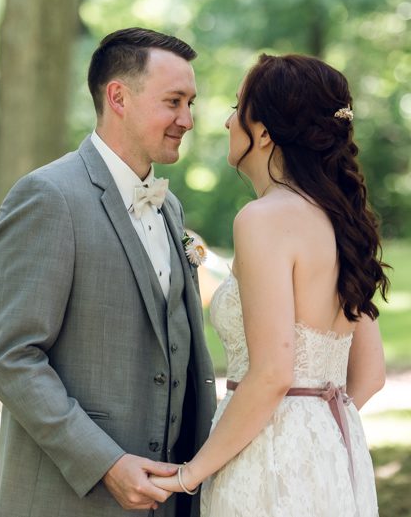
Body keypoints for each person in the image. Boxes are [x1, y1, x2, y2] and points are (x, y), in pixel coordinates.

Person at [0, 27, 218, 517]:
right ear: (118, 97)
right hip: (71, 501)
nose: (187, 120)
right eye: (174, 101)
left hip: (170, 501)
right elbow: (11, 359)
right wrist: (106, 462)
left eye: (191, 103)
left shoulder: (169, 206)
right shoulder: (48, 197)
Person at [151, 54, 389, 516]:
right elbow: (371, 373)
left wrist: (189, 474)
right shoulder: (341, 220)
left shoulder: (262, 219)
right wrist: (312, 427)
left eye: (237, 106)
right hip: (334, 455)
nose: (223, 121)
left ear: (262, 132)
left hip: (267, 456)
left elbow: (273, 373)